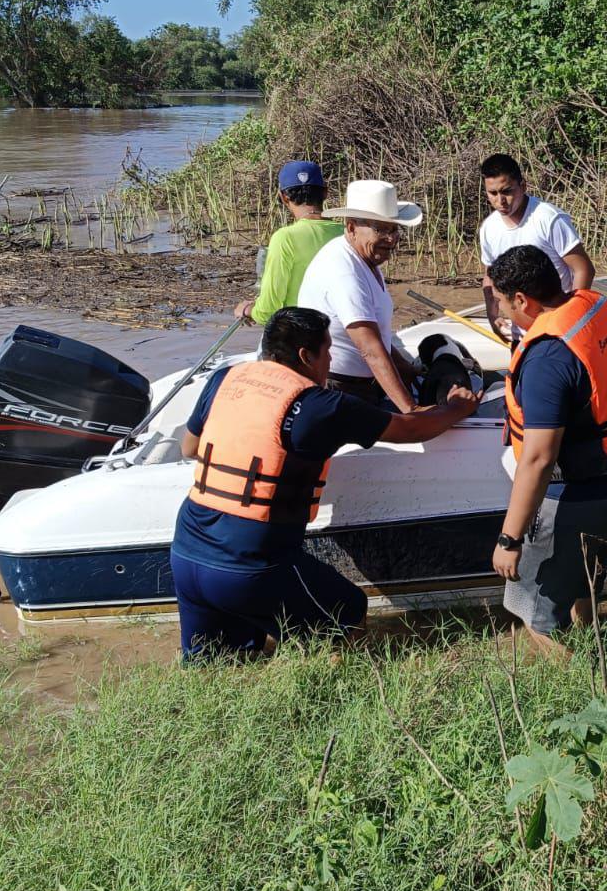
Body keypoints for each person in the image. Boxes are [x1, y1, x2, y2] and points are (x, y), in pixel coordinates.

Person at [171, 307, 479, 659]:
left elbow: (190, 446)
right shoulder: (321, 406)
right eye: (329, 351)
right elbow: (409, 429)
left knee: (218, 664)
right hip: (250, 563)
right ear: (305, 355)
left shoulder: (225, 378)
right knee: (346, 614)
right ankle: (328, 692)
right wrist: (456, 407)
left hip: (186, 552)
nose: (331, 361)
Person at [487, 245, 607, 657]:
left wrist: (509, 538)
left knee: (537, 611)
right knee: (585, 579)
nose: (504, 314)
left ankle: (575, 690)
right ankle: (597, 641)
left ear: (522, 299)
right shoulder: (596, 304)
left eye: (504, 304)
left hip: (581, 492)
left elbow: (539, 459)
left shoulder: (545, 360)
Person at [296, 180, 425, 412]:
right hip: (338, 389)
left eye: (394, 229)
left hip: (361, 384)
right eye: (381, 230)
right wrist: (412, 410)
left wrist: (407, 368)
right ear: (352, 227)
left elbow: (379, 336)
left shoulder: (366, 259)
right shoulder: (343, 269)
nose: (391, 239)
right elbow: (370, 349)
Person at [478, 153, 596, 341]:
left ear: (523, 186)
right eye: (493, 193)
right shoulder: (488, 229)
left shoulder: (548, 219)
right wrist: (493, 318)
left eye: (507, 191)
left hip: (559, 328)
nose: (500, 201)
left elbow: (583, 269)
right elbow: (489, 279)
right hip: (520, 333)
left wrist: (572, 319)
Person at [234, 160, 343, 326]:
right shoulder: (346, 232)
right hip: (342, 329)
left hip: (301, 333)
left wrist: (247, 310)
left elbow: (267, 311)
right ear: (325, 193)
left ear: (284, 197)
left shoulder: (284, 238)